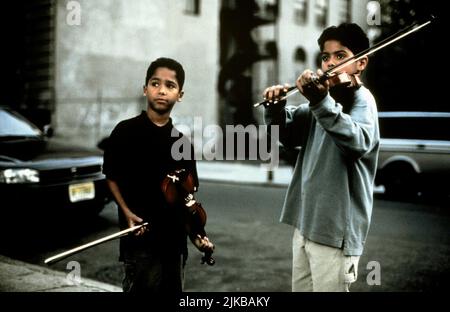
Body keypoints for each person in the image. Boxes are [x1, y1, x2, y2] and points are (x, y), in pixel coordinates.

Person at [263, 23, 380, 292]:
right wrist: (276, 108)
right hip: (307, 224)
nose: (330, 64)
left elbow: (358, 142)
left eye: (340, 56)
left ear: (360, 63)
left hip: (336, 231)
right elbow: (287, 135)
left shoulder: (362, 100)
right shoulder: (324, 99)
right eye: (325, 57)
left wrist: (320, 102)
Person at [102, 57, 214, 294]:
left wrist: (196, 236)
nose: (162, 90)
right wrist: (127, 212)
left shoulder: (183, 144)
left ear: (179, 95)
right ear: (145, 89)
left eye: (170, 86)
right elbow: (111, 176)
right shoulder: (125, 131)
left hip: (175, 247)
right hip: (140, 245)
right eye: (155, 83)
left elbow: (186, 199)